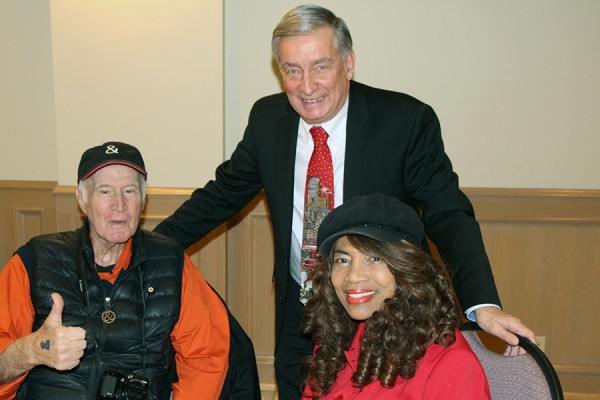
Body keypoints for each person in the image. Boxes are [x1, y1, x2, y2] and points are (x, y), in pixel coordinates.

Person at [154, 4, 534, 398]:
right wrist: (145, 251)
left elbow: (449, 215)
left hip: (387, 320)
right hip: (302, 316)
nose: (306, 86)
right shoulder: (268, 120)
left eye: (321, 66)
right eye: (292, 69)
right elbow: (220, 196)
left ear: (348, 63)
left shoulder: (405, 122)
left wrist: (481, 303)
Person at [0, 141, 230, 400]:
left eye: (129, 190)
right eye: (105, 191)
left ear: (143, 200)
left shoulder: (172, 263)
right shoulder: (35, 261)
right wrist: (32, 350)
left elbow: (205, 357)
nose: (119, 204)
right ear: (82, 200)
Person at [301, 193, 491, 399]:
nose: (353, 276)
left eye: (374, 258)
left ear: (407, 267)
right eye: (343, 261)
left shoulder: (451, 364)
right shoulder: (336, 341)